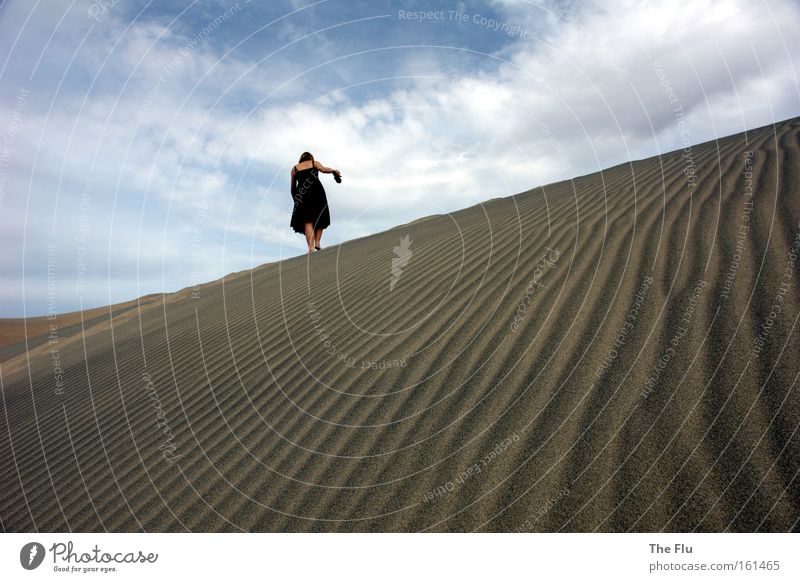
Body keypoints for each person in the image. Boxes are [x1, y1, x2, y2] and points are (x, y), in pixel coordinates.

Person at [290, 152, 341, 253]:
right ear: (310, 158)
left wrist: (296, 200)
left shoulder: (295, 168)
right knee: (320, 216)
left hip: (303, 195)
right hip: (317, 192)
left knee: (307, 221)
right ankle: (317, 242)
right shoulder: (314, 163)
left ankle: (311, 248)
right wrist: (333, 171)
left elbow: (292, 188)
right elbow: (323, 169)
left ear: (301, 159)